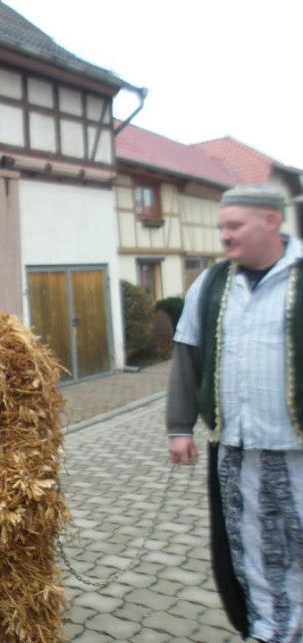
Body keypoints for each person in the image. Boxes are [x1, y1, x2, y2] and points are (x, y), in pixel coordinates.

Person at [166, 184, 303, 642]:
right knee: (253, 551)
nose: (224, 236)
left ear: (271, 222)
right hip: (239, 448)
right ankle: (270, 629)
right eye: (221, 226)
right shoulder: (212, 283)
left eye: (234, 225)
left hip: (297, 447)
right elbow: (187, 355)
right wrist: (179, 427)